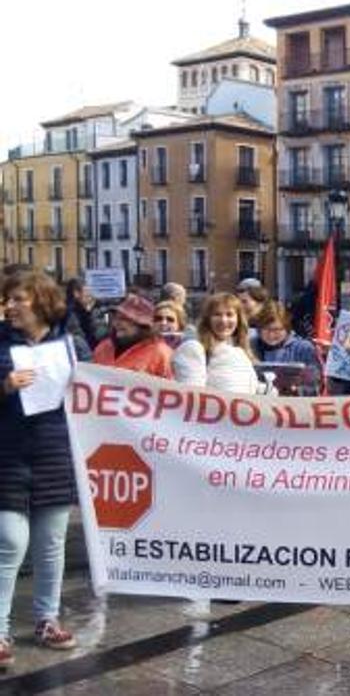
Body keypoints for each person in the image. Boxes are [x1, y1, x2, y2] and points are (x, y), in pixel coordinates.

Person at [0, 271, 92, 666]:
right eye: (8, 299)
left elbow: (96, 381)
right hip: (8, 455)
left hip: (54, 453)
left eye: (18, 298)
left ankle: (46, 619)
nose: (10, 306)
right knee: (9, 543)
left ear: (39, 300)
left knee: (51, 546)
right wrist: (3, 386)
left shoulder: (70, 340)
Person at [92, 295, 173, 379]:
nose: (117, 323)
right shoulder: (103, 348)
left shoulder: (161, 353)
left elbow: (172, 388)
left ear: (142, 324)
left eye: (125, 319)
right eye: (116, 317)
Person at [250, 301, 320, 396]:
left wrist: (297, 390)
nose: (271, 334)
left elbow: (315, 385)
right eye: (266, 329)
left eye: (277, 330)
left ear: (287, 328)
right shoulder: (250, 346)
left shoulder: (304, 348)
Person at [197, 293, 260, 394]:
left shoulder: (242, 352)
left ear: (238, 319)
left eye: (229, 314)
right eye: (217, 314)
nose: (223, 320)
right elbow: (192, 393)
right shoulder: (197, 350)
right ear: (208, 320)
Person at [154, 301, 207, 387]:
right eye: (158, 319)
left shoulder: (189, 348)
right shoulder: (144, 345)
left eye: (170, 320)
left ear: (179, 325)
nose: (163, 323)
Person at [63, 278, 100, 350]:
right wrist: (90, 314)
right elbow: (91, 337)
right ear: (76, 293)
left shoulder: (79, 311)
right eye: (87, 293)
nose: (90, 297)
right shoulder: (71, 315)